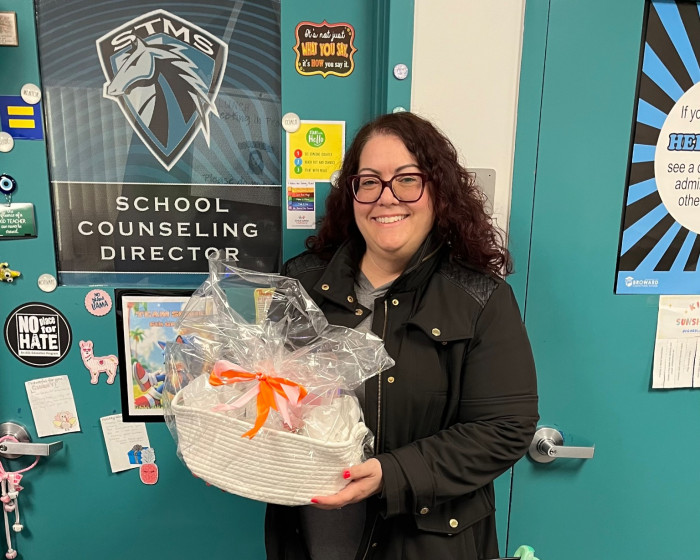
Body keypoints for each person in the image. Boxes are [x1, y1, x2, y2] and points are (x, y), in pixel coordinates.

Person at [265, 112, 538, 560]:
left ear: (438, 190)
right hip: (312, 537)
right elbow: (267, 390)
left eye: (407, 180)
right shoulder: (302, 283)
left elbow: (504, 429)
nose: (386, 198)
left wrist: (392, 474)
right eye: (369, 181)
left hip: (427, 544)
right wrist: (234, 442)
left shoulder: (480, 299)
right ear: (351, 193)